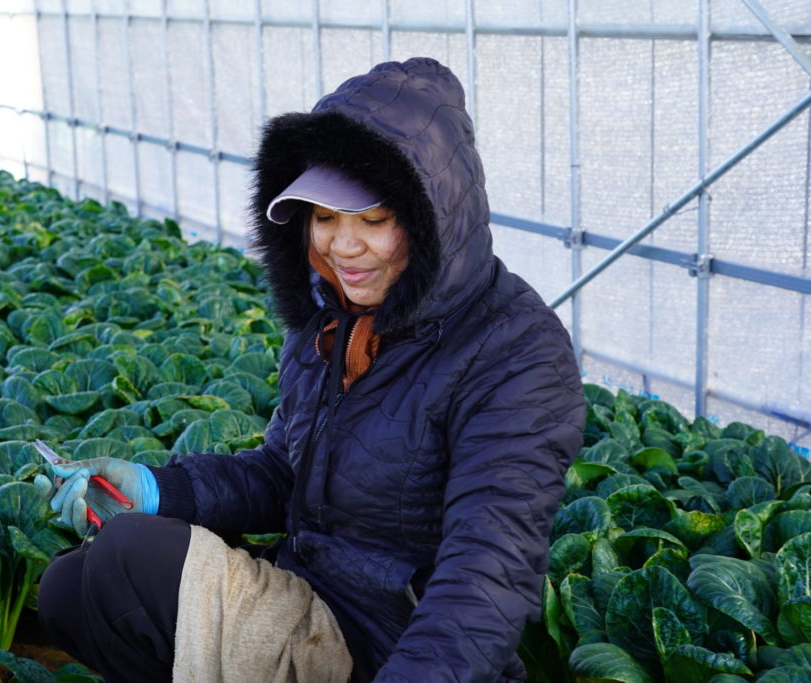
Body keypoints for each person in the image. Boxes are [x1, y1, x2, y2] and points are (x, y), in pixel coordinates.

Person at [36, 56, 586, 682]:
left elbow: (487, 573)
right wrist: (156, 491)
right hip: (312, 597)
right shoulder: (333, 321)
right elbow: (282, 474)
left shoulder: (516, 351)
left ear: (434, 221)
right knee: (69, 588)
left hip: (393, 643)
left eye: (373, 221)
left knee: (126, 559)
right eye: (324, 218)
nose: (343, 247)